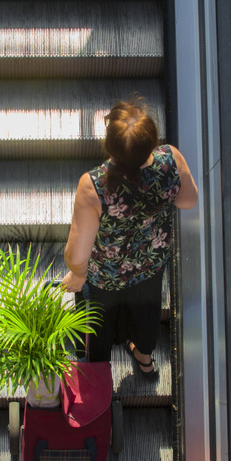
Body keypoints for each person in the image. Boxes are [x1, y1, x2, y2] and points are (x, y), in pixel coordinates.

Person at [62, 99, 198, 376]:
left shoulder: (94, 185)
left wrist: (77, 275)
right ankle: (145, 359)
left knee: (98, 320)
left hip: (106, 273)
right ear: (152, 142)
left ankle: (98, 370)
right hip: (150, 263)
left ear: (108, 145)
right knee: (147, 312)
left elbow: (77, 255)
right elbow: (188, 201)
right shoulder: (170, 158)